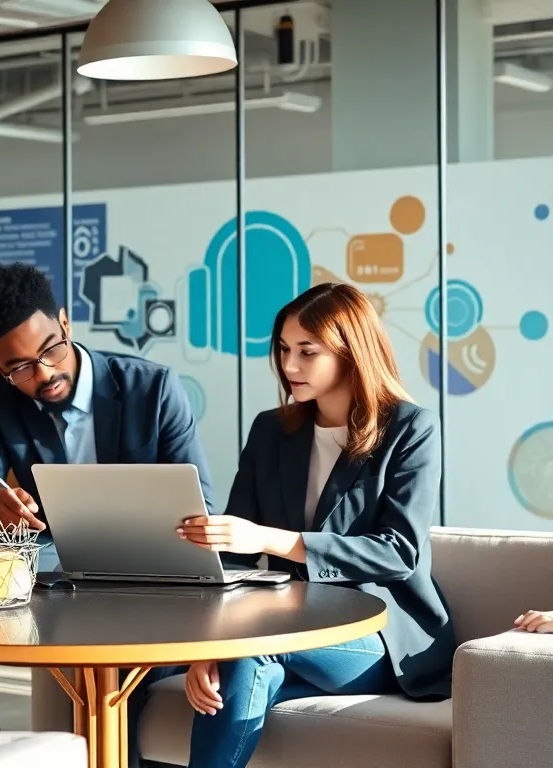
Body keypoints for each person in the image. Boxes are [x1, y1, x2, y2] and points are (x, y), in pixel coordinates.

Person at [0, 262, 215, 732]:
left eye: (52, 348)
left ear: (65, 323)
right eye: (20, 367)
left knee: (116, 675)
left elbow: (200, 509)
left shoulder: (152, 390)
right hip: (56, 586)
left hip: (151, 587)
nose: (45, 372)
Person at [166, 282, 455, 768]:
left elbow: (398, 551)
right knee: (241, 663)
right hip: (290, 631)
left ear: (351, 352)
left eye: (307, 351)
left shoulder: (411, 429)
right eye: (283, 350)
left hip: (380, 635)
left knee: (255, 653)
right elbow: (234, 560)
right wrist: (206, 648)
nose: (289, 366)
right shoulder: (270, 431)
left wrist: (271, 539)